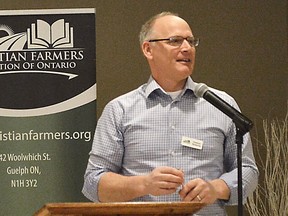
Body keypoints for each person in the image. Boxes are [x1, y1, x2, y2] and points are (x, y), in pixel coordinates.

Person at [82, 12, 259, 215]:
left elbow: (248, 171)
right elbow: (93, 182)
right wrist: (144, 184)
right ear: (148, 49)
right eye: (175, 41)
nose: (186, 48)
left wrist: (215, 188)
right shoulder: (120, 110)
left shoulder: (222, 105)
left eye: (191, 41)